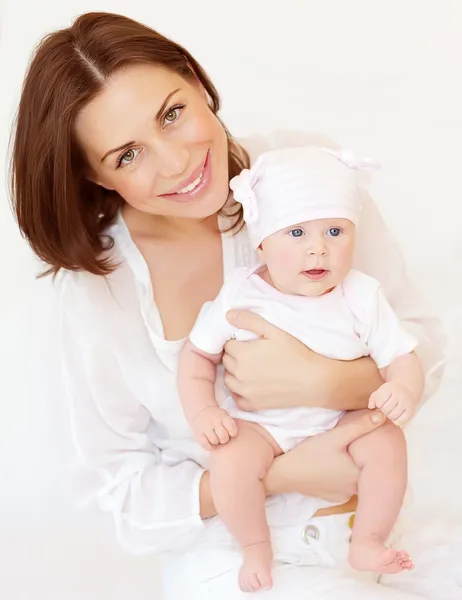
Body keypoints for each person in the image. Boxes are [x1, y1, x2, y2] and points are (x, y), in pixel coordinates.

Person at [10, 11, 444, 600]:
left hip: (384, 530)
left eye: (172, 113)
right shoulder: (98, 289)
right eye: (127, 155)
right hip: (234, 558)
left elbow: (419, 339)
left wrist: (327, 383)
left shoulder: (299, 173)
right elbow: (117, 494)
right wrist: (278, 476)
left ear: (193, 78)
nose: (177, 162)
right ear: (94, 175)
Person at [179, 146, 423, 592]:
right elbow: (196, 356)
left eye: (335, 231)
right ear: (261, 243)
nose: (318, 248)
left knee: (387, 442)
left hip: (341, 422)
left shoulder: (360, 295)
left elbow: (402, 355)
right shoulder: (240, 294)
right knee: (231, 460)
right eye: (296, 234)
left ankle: (367, 539)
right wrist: (203, 412)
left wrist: (403, 388)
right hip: (263, 428)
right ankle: (255, 546)